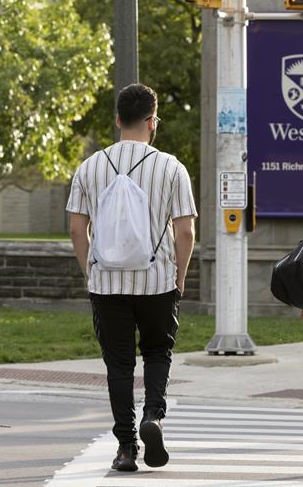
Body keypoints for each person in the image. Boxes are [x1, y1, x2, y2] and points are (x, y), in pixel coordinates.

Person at [66, 83, 197, 472]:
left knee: (119, 365)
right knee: (158, 352)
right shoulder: (172, 168)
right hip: (157, 281)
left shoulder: (89, 167)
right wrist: (181, 276)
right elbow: (185, 231)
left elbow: (77, 229)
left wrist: (90, 269)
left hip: (106, 283)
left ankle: (126, 447)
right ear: (153, 122)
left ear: (118, 119)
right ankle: (153, 415)